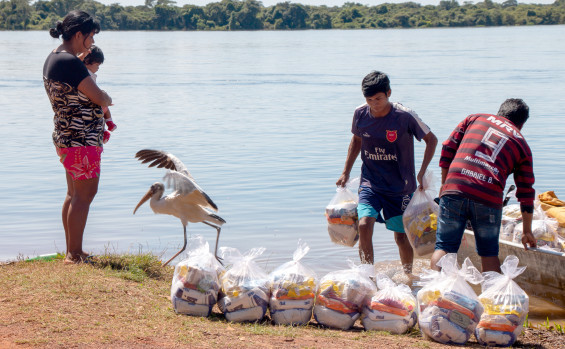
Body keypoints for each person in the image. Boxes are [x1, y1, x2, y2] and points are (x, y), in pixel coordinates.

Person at [336, 71, 438, 276]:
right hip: (370, 182)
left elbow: (431, 140)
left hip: (400, 187)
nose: (374, 103)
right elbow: (356, 141)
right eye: (369, 99)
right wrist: (345, 172)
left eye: (379, 99)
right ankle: (367, 275)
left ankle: (408, 275)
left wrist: (422, 171)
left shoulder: (404, 116)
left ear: (389, 93)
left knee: (401, 237)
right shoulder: (360, 114)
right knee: (364, 225)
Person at [430, 98, 537, 273]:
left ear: (499, 112)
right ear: (522, 124)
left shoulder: (475, 118)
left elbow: (447, 149)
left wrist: (444, 185)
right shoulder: (522, 145)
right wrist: (526, 231)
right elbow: (526, 192)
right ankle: (490, 297)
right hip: (488, 198)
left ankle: (433, 294)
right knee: (489, 253)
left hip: (455, 187)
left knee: (444, 247)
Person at [43, 10, 112, 264]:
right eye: (91, 36)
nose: (92, 42)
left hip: (67, 136)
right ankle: (73, 255)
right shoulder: (70, 63)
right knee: (84, 195)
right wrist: (108, 98)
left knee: (74, 194)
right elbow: (99, 97)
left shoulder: (56, 58)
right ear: (80, 34)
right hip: (80, 139)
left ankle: (74, 250)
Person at [82, 45, 117, 144]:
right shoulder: (86, 75)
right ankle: (108, 124)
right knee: (103, 108)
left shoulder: (83, 72)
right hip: (91, 105)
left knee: (103, 108)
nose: (98, 68)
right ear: (87, 61)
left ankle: (106, 128)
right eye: (97, 65)